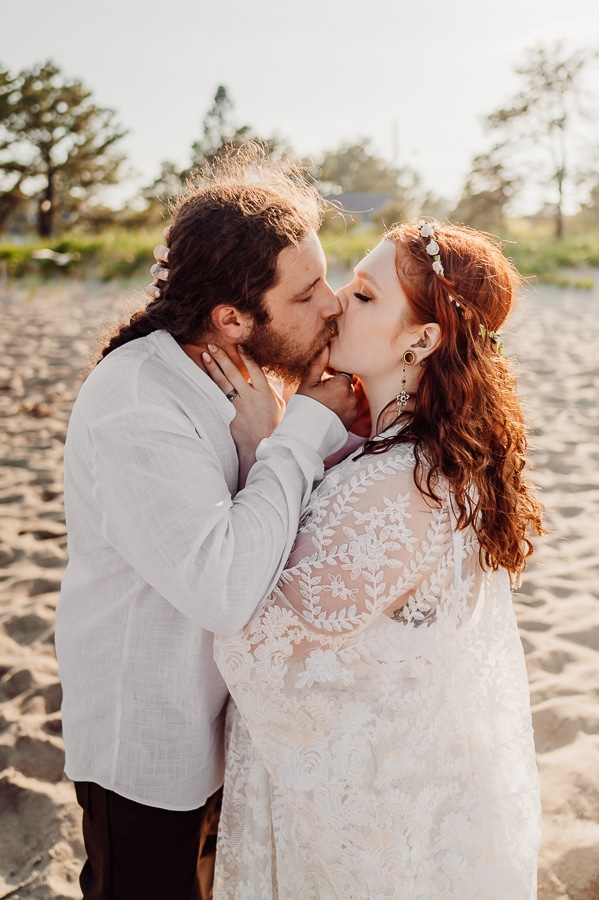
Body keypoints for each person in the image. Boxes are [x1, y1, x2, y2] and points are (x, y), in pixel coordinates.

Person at [55, 145, 359, 900]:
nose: (334, 302)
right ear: (230, 318)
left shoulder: (241, 377)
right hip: (151, 743)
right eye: (308, 292)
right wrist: (294, 436)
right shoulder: (139, 404)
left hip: (229, 724)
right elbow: (223, 587)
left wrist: (268, 444)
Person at [211, 220, 544, 898]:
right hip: (411, 786)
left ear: (421, 340)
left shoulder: (399, 483)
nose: (334, 301)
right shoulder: (417, 454)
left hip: (365, 825)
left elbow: (255, 637)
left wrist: (262, 449)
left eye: (363, 296)